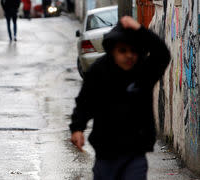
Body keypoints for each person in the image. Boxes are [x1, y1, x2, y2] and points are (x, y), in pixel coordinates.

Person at [70, 16, 170, 180]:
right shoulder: (99, 71)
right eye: (122, 51)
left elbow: (162, 54)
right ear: (112, 51)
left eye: (133, 51)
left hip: (135, 154)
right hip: (106, 154)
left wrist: (139, 29)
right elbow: (85, 101)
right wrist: (77, 128)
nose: (129, 56)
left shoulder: (144, 73)